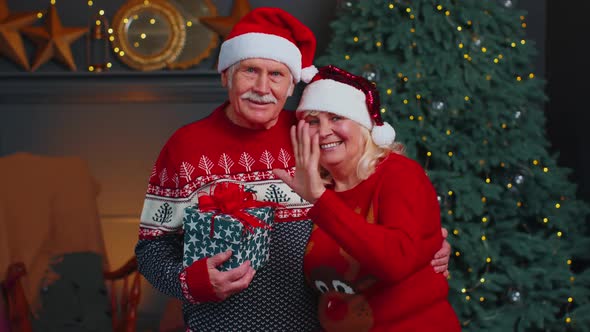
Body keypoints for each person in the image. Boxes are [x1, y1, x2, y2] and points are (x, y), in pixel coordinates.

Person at [135, 7, 451, 331]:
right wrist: (192, 283)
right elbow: (151, 247)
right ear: (225, 75)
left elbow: (367, 199)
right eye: (249, 70)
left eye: (276, 74)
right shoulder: (185, 146)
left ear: (290, 85)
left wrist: (426, 244)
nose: (262, 87)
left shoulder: (313, 133)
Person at [273, 65, 461, 331]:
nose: (324, 131)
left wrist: (320, 199)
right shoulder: (318, 188)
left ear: (363, 126)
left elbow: (394, 262)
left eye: (336, 118)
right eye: (313, 121)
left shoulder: (398, 174)